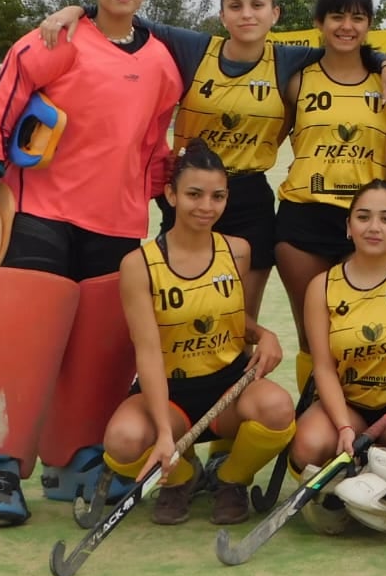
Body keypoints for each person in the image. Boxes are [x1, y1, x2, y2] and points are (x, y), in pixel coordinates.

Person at [0, 0, 184, 526]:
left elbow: (151, 147)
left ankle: (77, 458)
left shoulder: (163, 65)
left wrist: (171, 213)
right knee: (19, 337)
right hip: (42, 213)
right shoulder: (56, 40)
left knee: (100, 348)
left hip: (119, 223)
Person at [41, 0, 386, 320]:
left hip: (249, 201)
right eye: (236, 6)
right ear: (222, 14)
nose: (247, 14)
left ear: (275, 13)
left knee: (239, 324)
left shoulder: (290, 60)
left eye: (257, 5)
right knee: (174, 311)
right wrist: (79, 10)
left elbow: (352, 50)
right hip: (189, 193)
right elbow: (128, 18)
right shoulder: (194, 49)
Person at [100, 143, 294, 525]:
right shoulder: (139, 264)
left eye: (217, 196)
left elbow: (225, 318)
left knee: (278, 408)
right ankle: (181, 481)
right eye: (194, 194)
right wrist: (163, 433)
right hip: (170, 392)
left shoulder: (237, 250)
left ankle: (229, 480)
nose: (207, 206)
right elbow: (148, 350)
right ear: (171, 195)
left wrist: (263, 333)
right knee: (123, 440)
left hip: (227, 387)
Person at [288, 180, 386, 534]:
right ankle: (358, 483)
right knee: (308, 445)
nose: (374, 227)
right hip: (351, 404)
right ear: (349, 226)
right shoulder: (323, 286)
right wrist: (344, 427)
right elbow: (324, 368)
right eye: (363, 217)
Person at [275, 0, 386, 371]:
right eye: (336, 16)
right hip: (304, 218)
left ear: (369, 24)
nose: (346, 26)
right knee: (311, 335)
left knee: (359, 332)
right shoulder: (297, 80)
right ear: (319, 22)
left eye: (358, 17)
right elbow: (267, 136)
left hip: (367, 221)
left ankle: (353, 423)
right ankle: (314, 427)